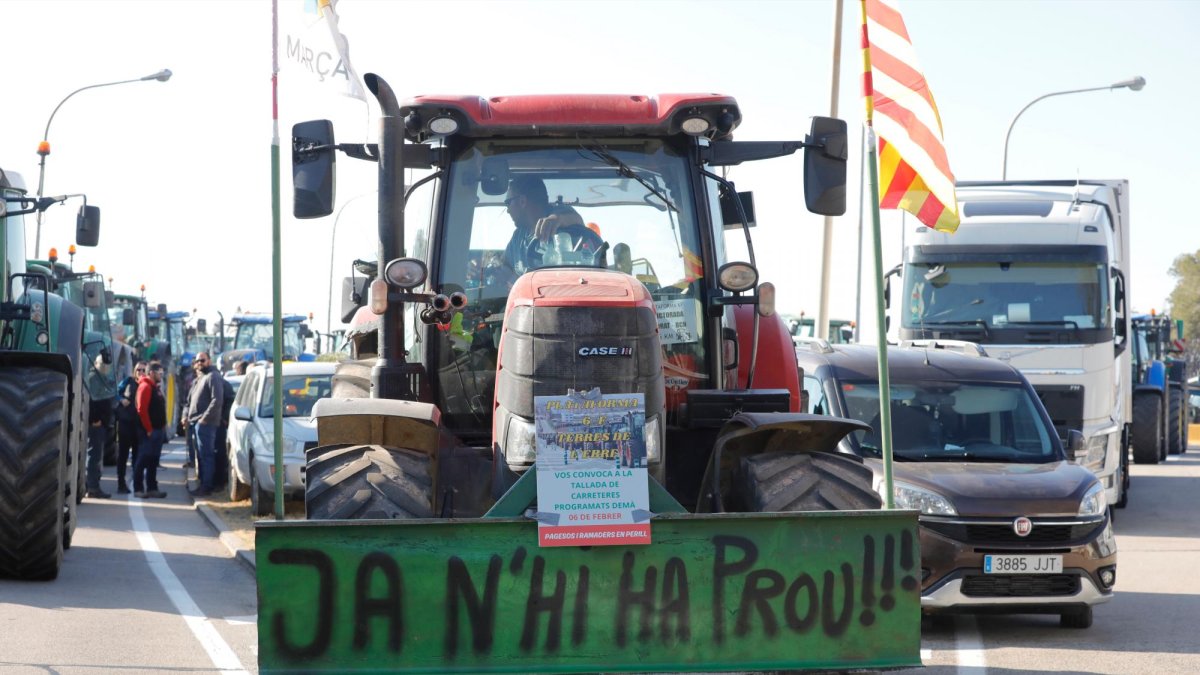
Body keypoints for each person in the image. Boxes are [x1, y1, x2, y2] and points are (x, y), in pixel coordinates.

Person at [501, 176, 590, 275]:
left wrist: (557, 219)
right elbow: (504, 266)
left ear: (522, 201)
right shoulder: (518, 237)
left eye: (508, 203)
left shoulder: (561, 218)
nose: (508, 211)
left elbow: (575, 220)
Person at [186, 351, 224, 497]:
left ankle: (207, 486)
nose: (200, 362)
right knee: (200, 455)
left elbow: (217, 400)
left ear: (209, 361)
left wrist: (204, 419)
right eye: (198, 360)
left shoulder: (213, 376)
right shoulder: (200, 379)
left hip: (206, 424)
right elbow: (189, 402)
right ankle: (202, 484)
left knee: (207, 455)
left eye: (203, 360)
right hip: (196, 422)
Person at [133, 361, 168, 499]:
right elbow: (142, 410)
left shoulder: (155, 387)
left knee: (153, 460)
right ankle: (138, 488)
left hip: (157, 430)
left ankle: (152, 487)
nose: (161, 376)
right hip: (149, 431)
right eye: (159, 373)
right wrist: (148, 429)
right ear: (152, 373)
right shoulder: (145, 387)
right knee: (143, 459)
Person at [113, 360, 145, 494]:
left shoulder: (147, 385)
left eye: (144, 370)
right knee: (123, 455)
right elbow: (116, 392)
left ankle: (138, 485)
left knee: (138, 456)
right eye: (138, 370)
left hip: (139, 426)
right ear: (134, 371)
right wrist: (121, 399)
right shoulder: (128, 381)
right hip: (126, 424)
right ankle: (121, 483)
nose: (141, 372)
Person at [84, 366, 113, 499]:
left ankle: (94, 485)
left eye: (107, 364)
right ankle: (92, 487)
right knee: (93, 456)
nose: (106, 367)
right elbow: (92, 399)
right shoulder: (93, 378)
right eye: (103, 364)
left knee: (97, 456)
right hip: (96, 424)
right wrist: (95, 419)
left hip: (102, 423)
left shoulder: (102, 378)